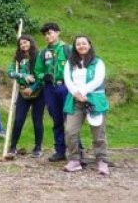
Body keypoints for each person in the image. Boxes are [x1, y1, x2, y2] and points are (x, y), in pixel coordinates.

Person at [63, 35, 110, 175]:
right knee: (70, 131)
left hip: (94, 100)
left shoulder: (98, 62)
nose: (81, 46)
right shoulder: (70, 62)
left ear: (89, 45)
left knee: (98, 133)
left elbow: (97, 79)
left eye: (84, 43)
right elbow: (67, 80)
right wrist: (76, 93)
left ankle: (102, 160)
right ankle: (74, 160)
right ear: (75, 47)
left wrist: (82, 92)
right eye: (78, 44)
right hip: (75, 100)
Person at [34, 22, 72, 162]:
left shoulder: (68, 49)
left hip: (66, 87)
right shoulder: (43, 53)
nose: (47, 36)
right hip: (49, 88)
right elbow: (38, 71)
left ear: (58, 32)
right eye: (45, 34)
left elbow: (78, 68)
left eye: (49, 33)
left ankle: (76, 151)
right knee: (56, 119)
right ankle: (60, 151)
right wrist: (43, 76)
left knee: (71, 119)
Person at [7, 35, 45, 158]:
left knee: (37, 120)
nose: (23, 45)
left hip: (39, 92)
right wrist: (23, 76)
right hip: (23, 92)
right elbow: (10, 72)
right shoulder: (18, 59)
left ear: (30, 42)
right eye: (21, 44)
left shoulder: (39, 56)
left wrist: (32, 88)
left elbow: (42, 76)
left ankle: (38, 147)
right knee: (18, 120)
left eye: (25, 42)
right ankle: (13, 147)